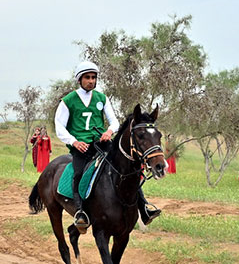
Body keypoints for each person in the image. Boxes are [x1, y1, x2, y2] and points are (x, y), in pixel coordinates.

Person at [54, 60, 160, 230]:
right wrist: (74, 141)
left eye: (94, 77)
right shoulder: (68, 100)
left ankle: (144, 207)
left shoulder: (101, 98)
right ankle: (81, 212)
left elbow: (114, 121)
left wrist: (109, 132)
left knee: (129, 169)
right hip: (81, 147)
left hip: (101, 143)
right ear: (80, 79)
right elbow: (59, 126)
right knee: (79, 172)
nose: (91, 81)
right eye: (87, 77)